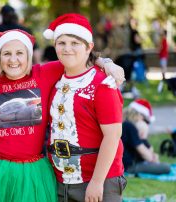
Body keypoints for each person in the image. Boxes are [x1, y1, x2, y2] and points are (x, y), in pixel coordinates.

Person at [0, 26, 124, 201]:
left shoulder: (44, 73)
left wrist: (108, 63)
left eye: (20, 53)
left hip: (32, 171)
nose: (13, 60)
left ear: (29, 56)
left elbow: (79, 57)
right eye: (6, 54)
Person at [44, 13, 126, 202]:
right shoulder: (54, 76)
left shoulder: (103, 83)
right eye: (61, 43)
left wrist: (97, 182)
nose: (67, 49)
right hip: (60, 179)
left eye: (75, 43)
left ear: (89, 47)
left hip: (98, 179)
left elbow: (112, 136)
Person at [122, 99, 170, 175]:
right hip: (128, 167)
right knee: (166, 167)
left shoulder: (124, 124)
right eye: (146, 122)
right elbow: (147, 156)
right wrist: (144, 138)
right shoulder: (130, 127)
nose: (147, 125)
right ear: (140, 116)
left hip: (124, 165)